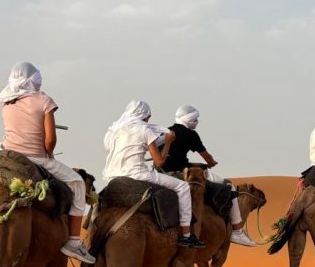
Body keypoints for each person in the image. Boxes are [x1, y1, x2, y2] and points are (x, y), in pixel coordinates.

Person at [0, 62, 98, 263]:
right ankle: (74, 242)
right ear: (35, 80)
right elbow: (50, 140)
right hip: (36, 157)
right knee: (78, 183)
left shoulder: (6, 102)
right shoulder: (44, 100)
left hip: (8, 152)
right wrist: (48, 154)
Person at [103, 100, 205, 248]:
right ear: (143, 116)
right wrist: (168, 142)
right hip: (138, 174)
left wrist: (163, 139)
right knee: (182, 187)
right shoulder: (145, 130)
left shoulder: (114, 131)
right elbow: (158, 163)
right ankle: (186, 235)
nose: (148, 120)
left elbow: (131, 144)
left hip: (113, 176)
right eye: (148, 117)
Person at [160, 105, 256, 247]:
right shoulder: (190, 135)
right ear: (189, 119)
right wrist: (211, 162)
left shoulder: (166, 131)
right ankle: (237, 230)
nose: (197, 121)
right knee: (229, 186)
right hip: (182, 173)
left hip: (161, 173)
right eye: (195, 119)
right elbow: (207, 157)